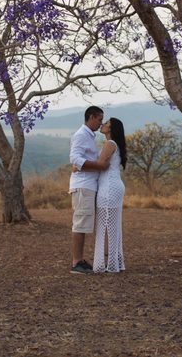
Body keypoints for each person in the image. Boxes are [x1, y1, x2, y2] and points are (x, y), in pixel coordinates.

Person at [69, 105, 109, 275]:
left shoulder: (89, 136)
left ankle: (80, 260)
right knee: (80, 224)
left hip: (88, 185)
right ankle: (76, 262)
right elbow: (75, 158)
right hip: (83, 185)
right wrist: (99, 166)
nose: (100, 124)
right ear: (91, 117)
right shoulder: (81, 135)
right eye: (99, 120)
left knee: (85, 224)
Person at [94, 117, 127, 273]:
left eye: (106, 123)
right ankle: (114, 262)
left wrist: (78, 166)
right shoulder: (115, 145)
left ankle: (107, 263)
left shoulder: (110, 144)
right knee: (113, 226)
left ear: (112, 129)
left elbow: (99, 164)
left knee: (105, 226)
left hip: (109, 187)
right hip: (114, 186)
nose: (103, 124)